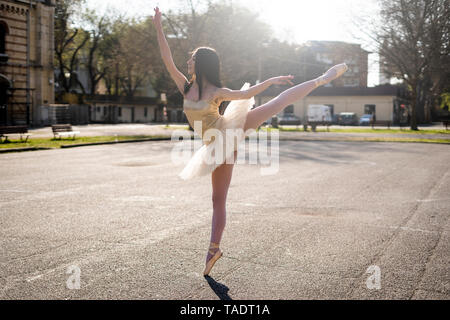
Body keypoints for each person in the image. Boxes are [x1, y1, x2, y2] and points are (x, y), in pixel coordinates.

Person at [152, 7, 348, 276]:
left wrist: (271, 80)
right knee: (217, 200)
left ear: (201, 64)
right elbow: (166, 57)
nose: (187, 63)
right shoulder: (185, 85)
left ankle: (322, 78)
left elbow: (250, 93)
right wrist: (158, 26)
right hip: (215, 146)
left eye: (192, 59)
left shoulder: (217, 92)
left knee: (277, 103)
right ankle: (213, 250)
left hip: (227, 132)